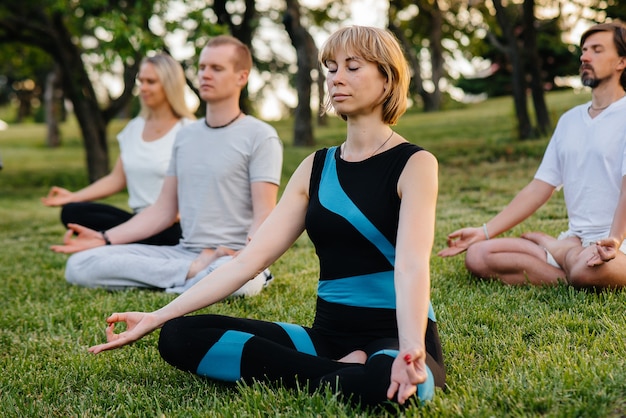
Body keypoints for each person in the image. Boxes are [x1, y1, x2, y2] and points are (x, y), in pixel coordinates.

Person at [87, 26, 445, 409]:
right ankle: (338, 371)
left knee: (386, 384)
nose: (336, 78)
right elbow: (249, 260)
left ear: (388, 79)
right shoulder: (315, 167)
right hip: (325, 338)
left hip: (396, 339)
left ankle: (349, 371)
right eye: (330, 67)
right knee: (180, 336)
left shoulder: (415, 164)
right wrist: (158, 316)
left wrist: (410, 351)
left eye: (352, 67)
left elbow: (410, 266)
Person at [51, 35, 283, 297]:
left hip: (233, 256)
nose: (205, 74)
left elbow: (265, 214)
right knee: (79, 265)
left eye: (216, 68)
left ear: (242, 77)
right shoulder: (185, 136)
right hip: (183, 253)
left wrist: (249, 258)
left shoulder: (260, 135)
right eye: (202, 67)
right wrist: (104, 239)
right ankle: (194, 275)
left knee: (240, 283)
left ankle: (201, 278)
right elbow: (163, 210)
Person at [439, 22, 626, 289]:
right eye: (584, 50)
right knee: (479, 256)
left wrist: (615, 239)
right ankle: (569, 261)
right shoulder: (569, 121)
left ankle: (558, 252)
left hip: (620, 245)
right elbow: (540, 187)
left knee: (590, 271)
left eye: (597, 50)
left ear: (621, 61)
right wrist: (484, 231)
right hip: (577, 240)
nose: (585, 57)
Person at [42, 53, 195, 246]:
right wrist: (73, 196)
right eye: (141, 81)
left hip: (173, 224)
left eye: (151, 82)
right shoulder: (134, 128)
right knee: (72, 211)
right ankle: (127, 237)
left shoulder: (188, 131)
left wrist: (168, 216)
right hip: (138, 220)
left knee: (157, 229)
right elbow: (116, 179)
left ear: (169, 85)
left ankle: (119, 239)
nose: (143, 88)